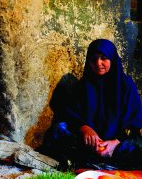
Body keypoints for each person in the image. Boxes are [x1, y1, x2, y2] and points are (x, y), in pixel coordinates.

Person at [41, 39, 142, 169]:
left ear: (112, 59)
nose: (98, 63)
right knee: (58, 129)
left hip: (117, 145)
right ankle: (97, 162)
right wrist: (84, 128)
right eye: (93, 59)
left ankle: (94, 162)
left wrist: (115, 143)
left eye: (103, 58)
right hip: (89, 144)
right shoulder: (83, 86)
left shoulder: (126, 86)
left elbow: (135, 124)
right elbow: (70, 115)